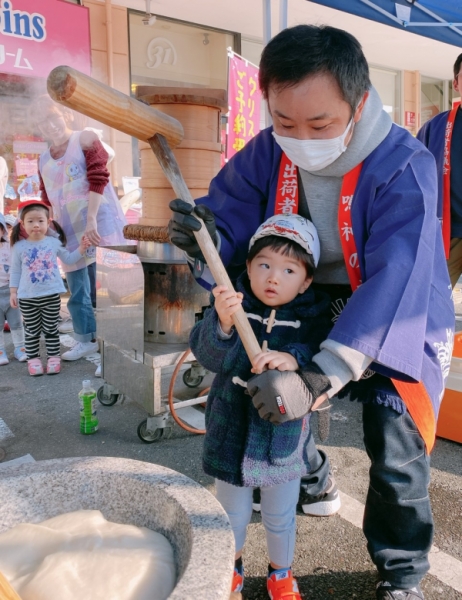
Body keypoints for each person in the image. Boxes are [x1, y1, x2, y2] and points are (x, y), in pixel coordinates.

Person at [169, 25, 454, 600]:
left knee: (396, 444)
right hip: (297, 297)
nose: (299, 138)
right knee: (266, 397)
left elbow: (398, 275)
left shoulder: (404, 162)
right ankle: (314, 479)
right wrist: (204, 234)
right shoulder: (269, 149)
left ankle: (402, 573)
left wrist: (322, 375)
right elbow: (230, 214)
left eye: (320, 125)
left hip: (388, 310)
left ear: (360, 102)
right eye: (284, 121)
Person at [190, 214, 332, 599]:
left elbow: (320, 356)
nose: (273, 278)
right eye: (264, 265)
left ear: (306, 282)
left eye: (289, 270)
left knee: (280, 516)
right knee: (231, 514)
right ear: (249, 267)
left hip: (283, 441)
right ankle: (231, 569)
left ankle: (280, 574)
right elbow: (208, 355)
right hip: (229, 433)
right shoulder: (232, 306)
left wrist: (293, 358)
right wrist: (221, 325)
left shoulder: (311, 320)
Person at [29, 95, 128, 373]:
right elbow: (46, 196)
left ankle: (114, 348)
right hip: (68, 232)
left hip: (99, 224)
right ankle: (86, 339)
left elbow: (99, 177)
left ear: (66, 115)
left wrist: (92, 219)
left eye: (53, 117)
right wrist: (47, 226)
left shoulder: (85, 138)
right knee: (77, 290)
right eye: (43, 122)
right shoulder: (43, 158)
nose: (50, 125)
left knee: (110, 289)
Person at [9, 200, 90, 376]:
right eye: (30, 221)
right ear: (22, 224)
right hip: (27, 298)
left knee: (51, 329)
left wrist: (82, 249)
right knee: (31, 331)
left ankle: (54, 358)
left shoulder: (54, 243)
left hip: (51, 295)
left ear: (48, 222)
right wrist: (13, 292)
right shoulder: (18, 247)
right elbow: (15, 271)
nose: (36, 225)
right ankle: (33, 360)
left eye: (40, 220)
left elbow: (69, 259)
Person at [417, 52, 462, 288]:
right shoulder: (435, 127)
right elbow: (413, 177)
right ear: (456, 83)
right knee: (434, 297)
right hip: (447, 232)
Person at [0, 212, 26, 365]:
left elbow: (17, 267)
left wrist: (16, 289)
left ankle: (20, 348)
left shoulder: (9, 247)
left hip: (10, 290)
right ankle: (0, 350)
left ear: (3, 230)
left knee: (16, 322)